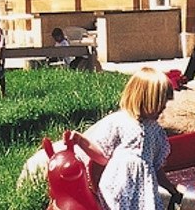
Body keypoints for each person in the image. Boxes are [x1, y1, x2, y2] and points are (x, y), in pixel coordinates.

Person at [66, 67, 182, 210]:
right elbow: (103, 156)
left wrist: (171, 188)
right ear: (144, 99)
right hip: (118, 188)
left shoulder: (156, 131)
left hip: (145, 194)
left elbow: (156, 166)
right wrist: (81, 141)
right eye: (159, 103)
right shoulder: (120, 121)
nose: (163, 107)